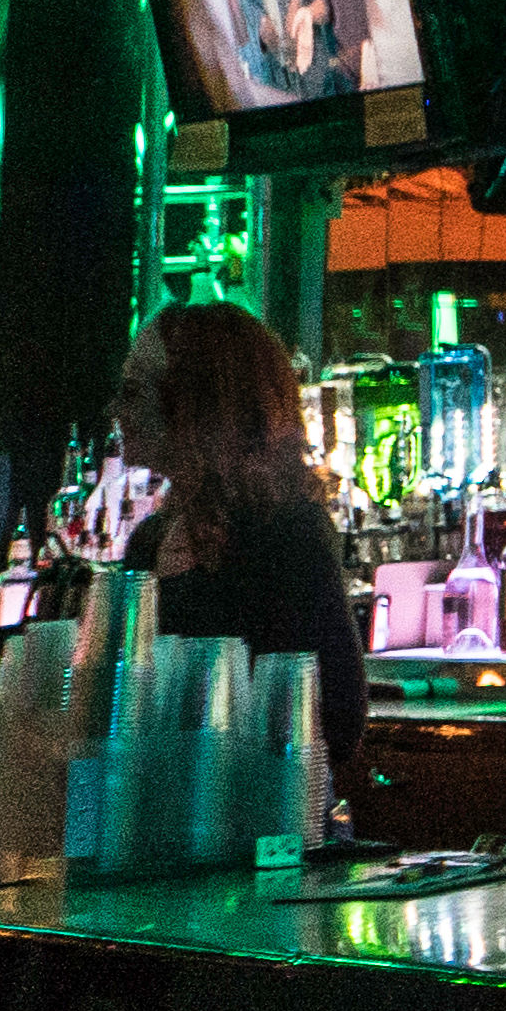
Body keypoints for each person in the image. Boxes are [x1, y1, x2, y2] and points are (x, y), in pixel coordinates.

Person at [112, 301, 364, 801]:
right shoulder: (149, 543)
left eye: (135, 390)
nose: (117, 409)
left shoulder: (286, 535)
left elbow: (337, 715)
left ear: (196, 405)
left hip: (261, 832)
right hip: (160, 828)